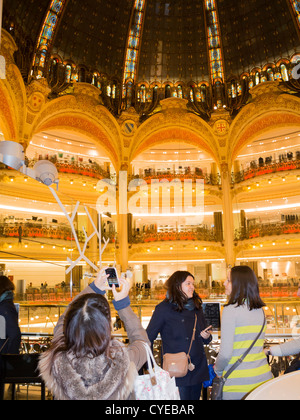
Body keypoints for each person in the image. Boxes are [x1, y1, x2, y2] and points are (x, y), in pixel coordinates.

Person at [38, 268, 150, 400]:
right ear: (106, 326)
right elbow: (142, 341)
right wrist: (122, 304)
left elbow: (64, 319)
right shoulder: (123, 360)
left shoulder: (59, 357)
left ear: (71, 324)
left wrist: (94, 288)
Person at [146, 271, 212, 400]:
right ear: (177, 286)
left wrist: (206, 336)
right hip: (175, 369)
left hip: (196, 367)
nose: (192, 287)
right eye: (188, 283)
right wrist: (151, 366)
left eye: (193, 284)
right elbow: (149, 336)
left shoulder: (197, 307)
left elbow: (206, 338)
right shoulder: (163, 309)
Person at [214, 265, 273, 400]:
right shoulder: (260, 310)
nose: (224, 283)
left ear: (238, 284)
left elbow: (225, 353)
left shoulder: (230, 310)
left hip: (238, 382)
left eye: (228, 280)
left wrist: (218, 370)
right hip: (263, 378)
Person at [0, 275, 21, 354]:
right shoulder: (6, 305)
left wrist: (10, 358)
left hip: (3, 358)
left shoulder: (4, 308)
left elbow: (14, 335)